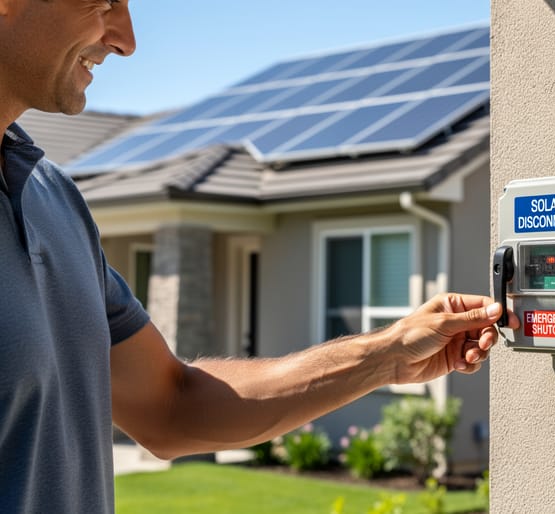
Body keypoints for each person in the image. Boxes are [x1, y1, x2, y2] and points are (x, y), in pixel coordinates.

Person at [0, 1, 518, 512]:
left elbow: (172, 406)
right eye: (105, 0)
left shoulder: (52, 200)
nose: (126, 39)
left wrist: (388, 354)